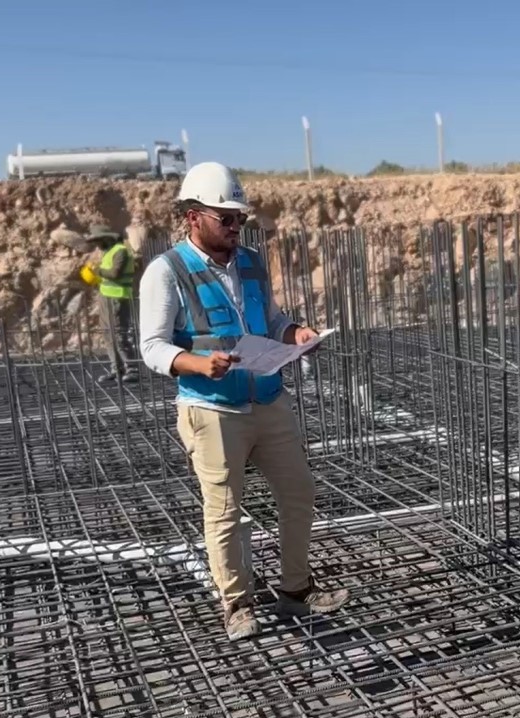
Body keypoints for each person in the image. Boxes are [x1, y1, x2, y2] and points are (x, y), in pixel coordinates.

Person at [137, 161, 348, 641]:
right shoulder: (166, 272)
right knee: (225, 510)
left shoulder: (251, 261)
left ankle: (295, 590)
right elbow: (152, 347)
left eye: (239, 219)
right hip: (212, 409)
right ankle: (237, 604)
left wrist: (295, 332)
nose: (235, 228)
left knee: (298, 494)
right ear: (193, 217)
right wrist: (196, 362)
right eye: (224, 218)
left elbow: (270, 320)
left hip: (268, 398)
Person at [84, 225, 139, 384]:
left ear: (107, 238)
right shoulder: (108, 252)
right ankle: (117, 369)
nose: (98, 245)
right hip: (106, 297)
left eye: (99, 241)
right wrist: (96, 279)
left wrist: (98, 271)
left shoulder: (120, 250)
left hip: (118, 298)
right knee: (108, 334)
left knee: (119, 334)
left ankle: (131, 369)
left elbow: (115, 273)